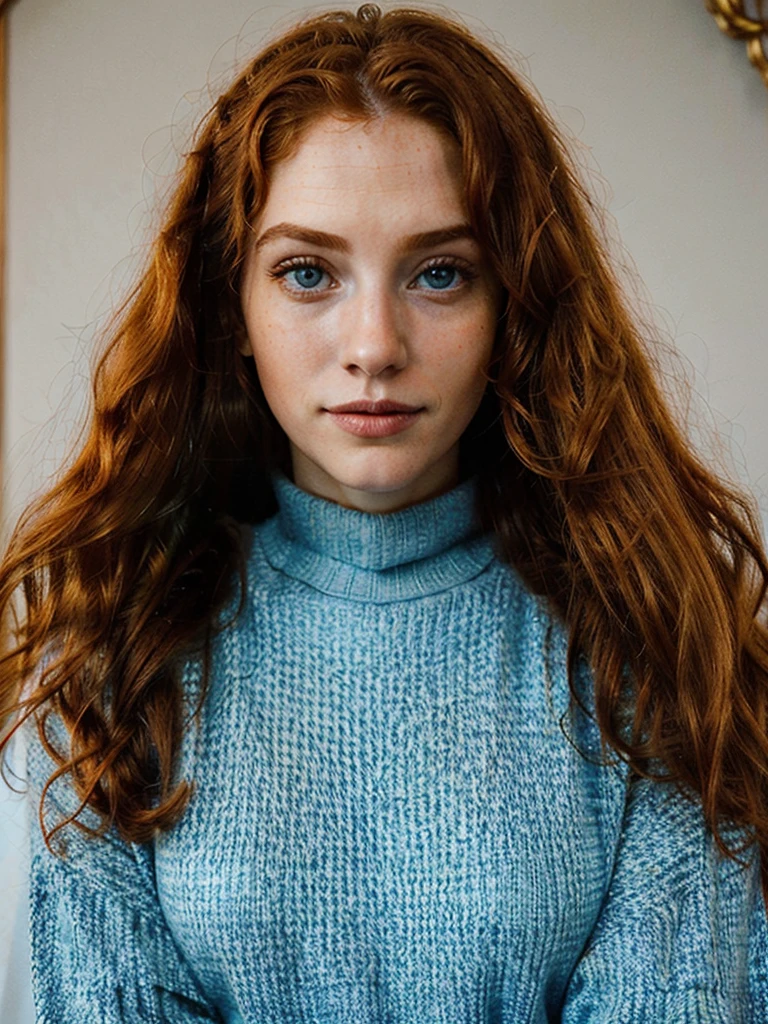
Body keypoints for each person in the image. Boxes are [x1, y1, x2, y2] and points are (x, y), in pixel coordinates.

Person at [1, 4, 767, 1021]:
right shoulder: (120, 657)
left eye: (439, 272)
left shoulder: (651, 648)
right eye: (308, 272)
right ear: (231, 304)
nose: (374, 342)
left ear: (514, 305)